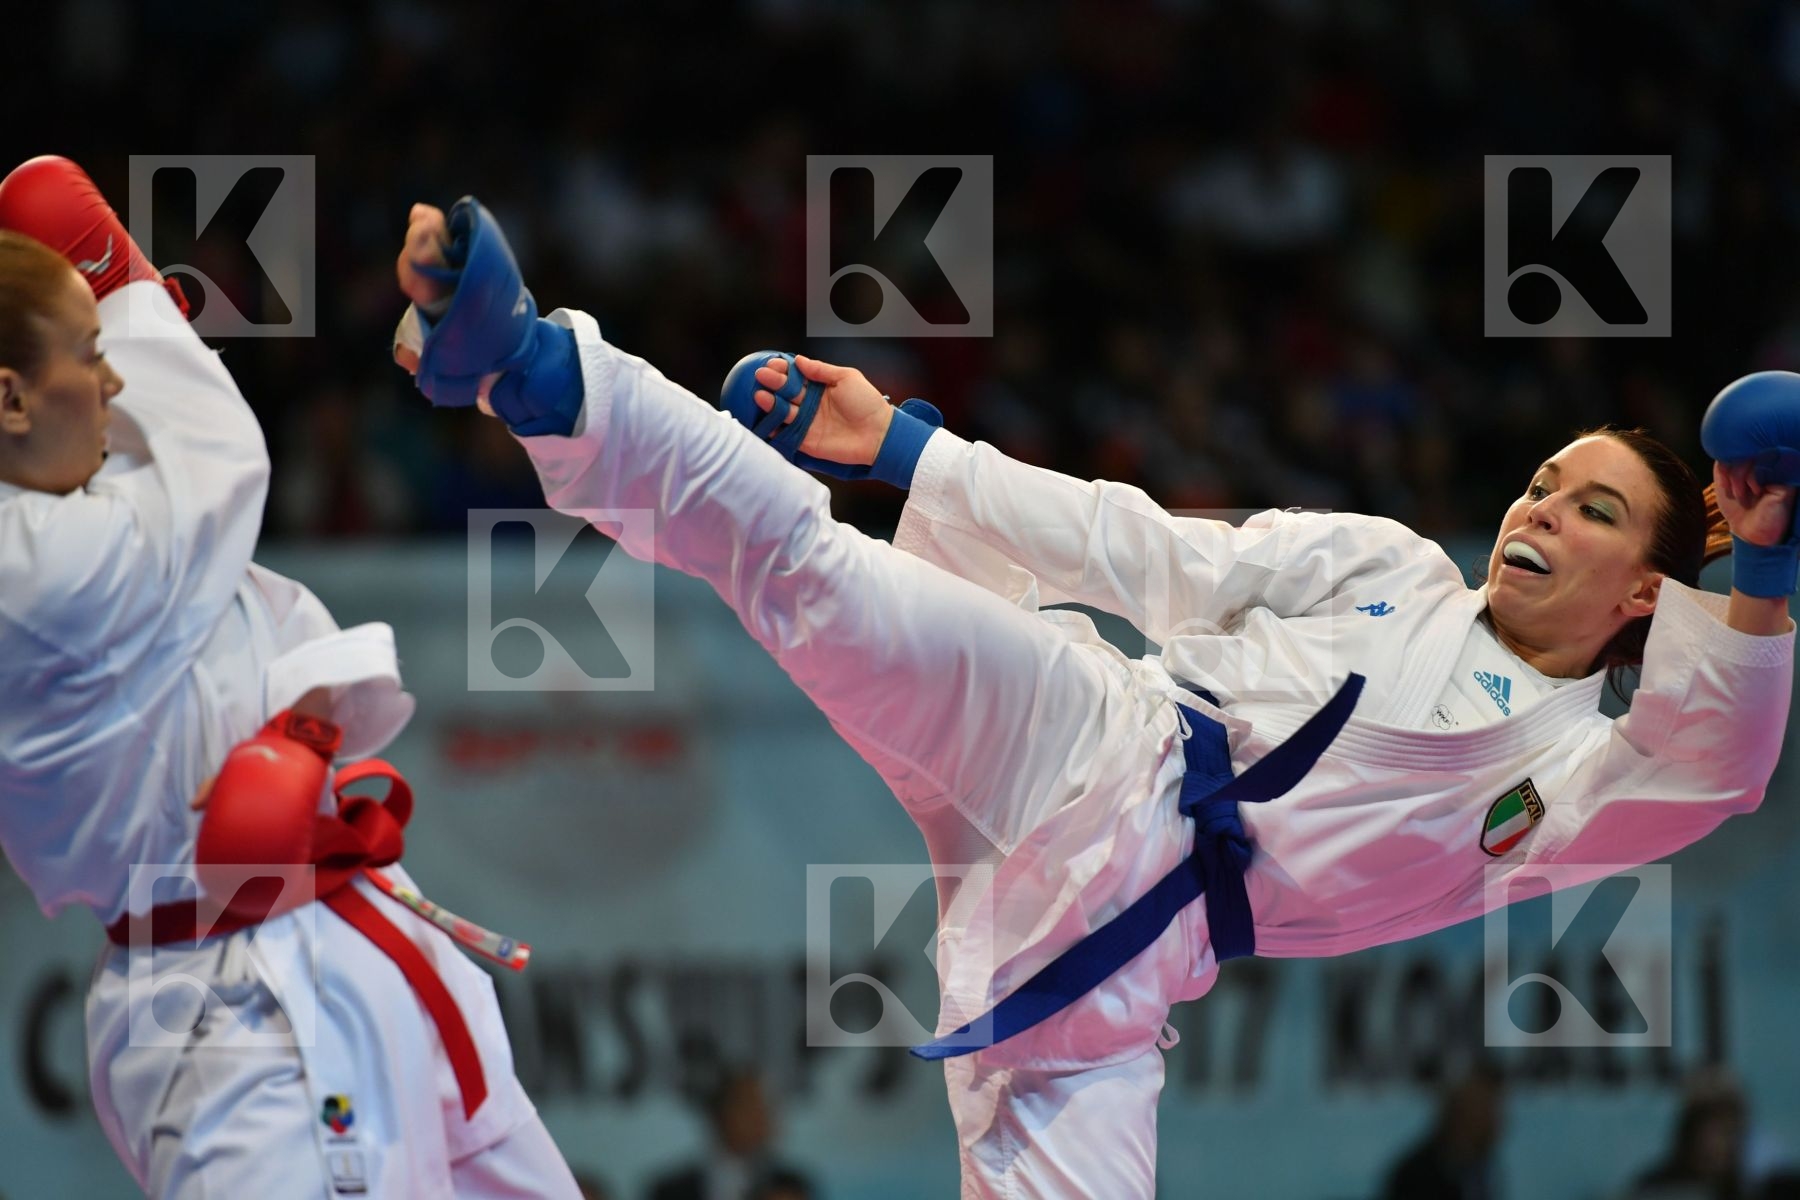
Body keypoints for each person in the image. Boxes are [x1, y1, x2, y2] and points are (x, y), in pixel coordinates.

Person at [393, 198, 1793, 1200]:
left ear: (1644, 599)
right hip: (1092, 725)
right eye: (1545, 477)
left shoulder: (1579, 775)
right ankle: (535, 368)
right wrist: (910, 449)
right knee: (809, 569)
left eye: (1594, 506)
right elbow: (1150, 551)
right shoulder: (1390, 563)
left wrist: (1769, 575)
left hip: (1125, 961)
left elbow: (1717, 758)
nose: (1540, 503)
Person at [0, 159, 581, 1198]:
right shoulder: (33, 569)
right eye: (93, 354)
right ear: (8, 397)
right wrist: (122, 278)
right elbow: (218, 453)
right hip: (233, 1012)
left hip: (353, 930)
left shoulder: (88, 504)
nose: (119, 378)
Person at [645, 1069, 815, 1200]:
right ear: (719, 1113)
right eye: (750, 1106)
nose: (761, 1117)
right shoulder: (671, 1191)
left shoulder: (791, 1186)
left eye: (765, 1107)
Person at [1381, 1063, 1506, 1200]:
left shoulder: (1480, 1167)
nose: (1497, 1119)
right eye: (1485, 1111)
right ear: (1460, 1115)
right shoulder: (1417, 1176)